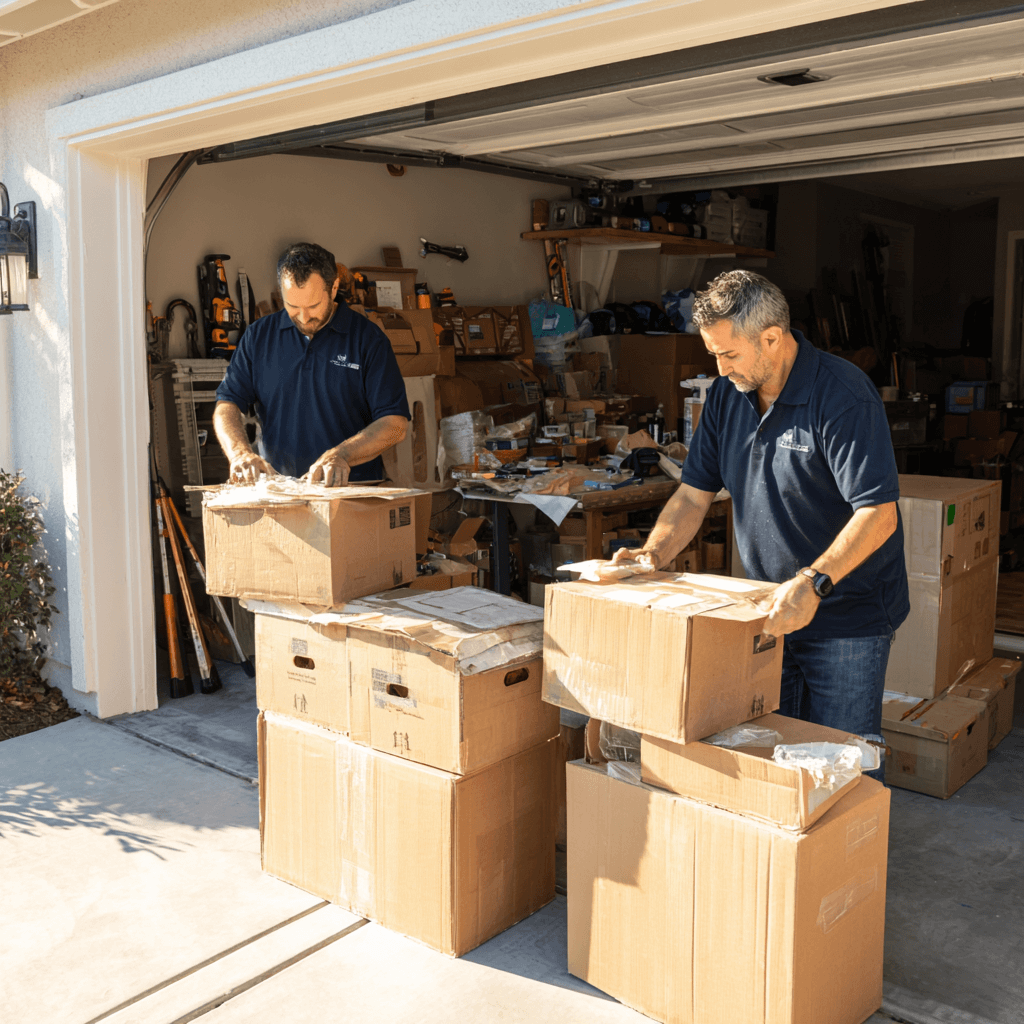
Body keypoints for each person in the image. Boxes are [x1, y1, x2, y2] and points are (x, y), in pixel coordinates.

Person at [614, 270, 908, 778]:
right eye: (713, 355)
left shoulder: (842, 396)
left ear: (772, 337)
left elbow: (878, 513)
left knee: (841, 772)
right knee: (775, 765)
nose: (720, 368)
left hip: (847, 619)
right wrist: (652, 554)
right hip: (767, 612)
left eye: (729, 354)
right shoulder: (728, 395)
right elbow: (693, 492)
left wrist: (813, 583)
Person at [213, 242, 409, 486]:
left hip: (350, 492)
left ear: (334, 287)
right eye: (292, 306)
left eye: (314, 306)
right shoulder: (258, 337)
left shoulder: (368, 339)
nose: (303, 318)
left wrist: (342, 455)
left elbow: (395, 424)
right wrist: (239, 454)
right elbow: (226, 405)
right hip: (280, 491)